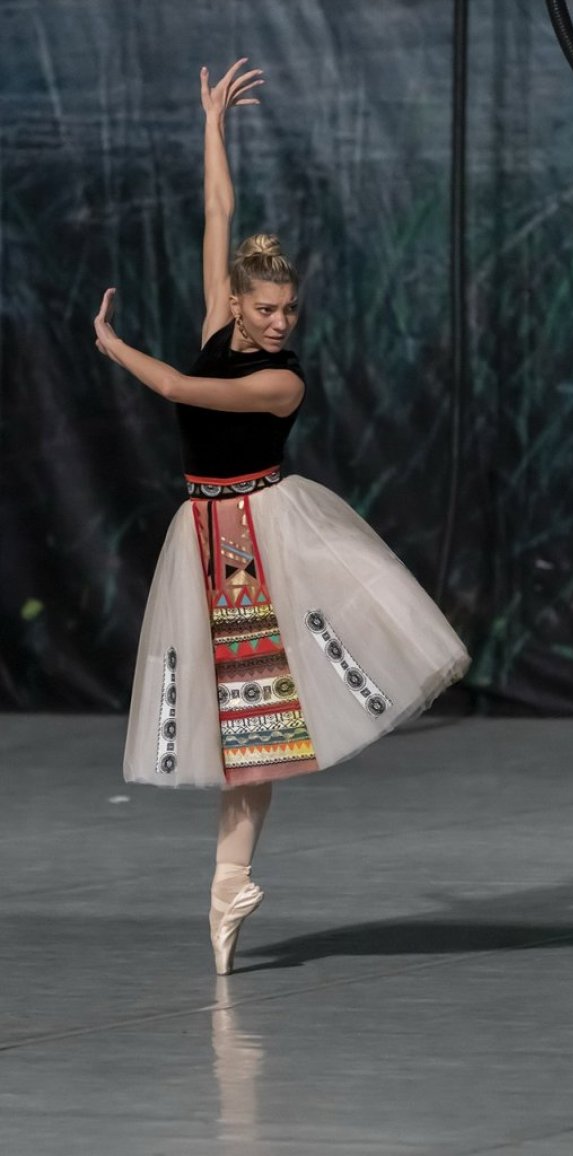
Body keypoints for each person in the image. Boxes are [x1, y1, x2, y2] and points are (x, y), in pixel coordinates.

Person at [94, 58, 471, 976]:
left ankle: (230, 879)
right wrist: (214, 127)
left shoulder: (281, 381)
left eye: (289, 309)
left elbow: (178, 389)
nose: (279, 320)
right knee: (236, 731)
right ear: (235, 301)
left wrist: (110, 344)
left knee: (257, 728)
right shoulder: (216, 325)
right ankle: (228, 888)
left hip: (257, 543)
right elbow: (218, 214)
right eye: (266, 307)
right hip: (206, 536)